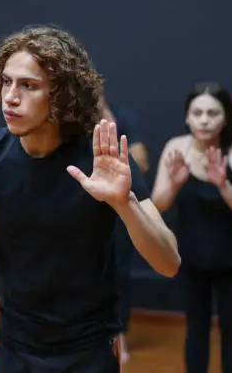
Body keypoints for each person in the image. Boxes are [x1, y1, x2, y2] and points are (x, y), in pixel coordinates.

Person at [0, 25, 180, 373]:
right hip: (16, 347)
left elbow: (169, 263)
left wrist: (125, 204)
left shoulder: (103, 159)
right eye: (6, 82)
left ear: (61, 95)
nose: (10, 97)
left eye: (28, 85)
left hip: (89, 349)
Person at [151, 82, 232, 373]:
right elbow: (157, 206)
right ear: (187, 116)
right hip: (190, 261)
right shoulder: (176, 148)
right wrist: (173, 184)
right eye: (197, 112)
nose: (204, 120)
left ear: (225, 117)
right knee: (195, 330)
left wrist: (223, 185)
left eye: (213, 113)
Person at [99, 89, 150, 362]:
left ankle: (120, 336)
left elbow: (141, 164)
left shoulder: (122, 117)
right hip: (84, 210)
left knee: (119, 274)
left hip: (118, 211)